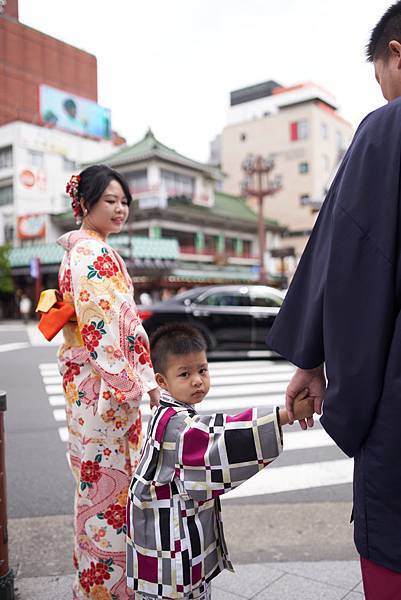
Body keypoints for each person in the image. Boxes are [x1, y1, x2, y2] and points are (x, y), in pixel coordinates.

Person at [267, 3, 401, 598]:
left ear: (396, 55)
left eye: (382, 79)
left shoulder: (387, 129)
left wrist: (312, 355)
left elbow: (351, 259)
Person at [127, 323, 314, 599]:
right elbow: (222, 439)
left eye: (202, 370)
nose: (197, 380)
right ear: (162, 381)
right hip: (171, 540)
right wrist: (285, 415)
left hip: (157, 533)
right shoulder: (177, 425)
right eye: (185, 374)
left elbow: (215, 431)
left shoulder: (166, 412)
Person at [58, 165, 160, 599]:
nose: (120, 209)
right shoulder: (93, 254)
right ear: (86, 203)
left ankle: (96, 584)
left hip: (85, 380)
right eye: (110, 201)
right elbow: (110, 325)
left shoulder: (82, 249)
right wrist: (139, 382)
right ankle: (109, 589)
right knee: (109, 490)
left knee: (93, 481)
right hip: (103, 388)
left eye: (124, 202)